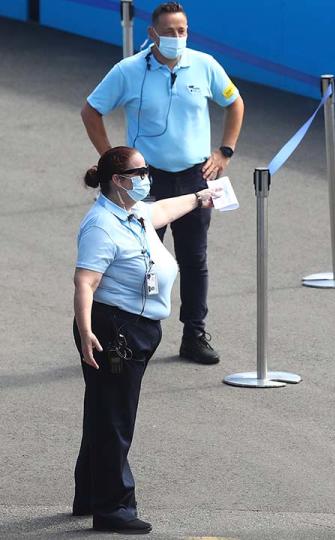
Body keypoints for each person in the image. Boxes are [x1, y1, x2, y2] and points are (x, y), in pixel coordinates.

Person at [81, 2, 244, 365]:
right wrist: (112, 158)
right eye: (169, 31)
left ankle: (194, 333)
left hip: (193, 177)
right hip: (145, 179)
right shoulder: (129, 71)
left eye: (182, 30)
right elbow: (91, 110)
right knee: (138, 256)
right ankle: (128, 330)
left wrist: (224, 152)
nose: (176, 37)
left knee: (194, 257)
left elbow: (235, 104)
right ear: (152, 34)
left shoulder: (204, 65)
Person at [73, 146, 219, 534]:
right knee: (116, 419)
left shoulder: (132, 211)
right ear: (118, 182)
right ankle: (113, 508)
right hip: (113, 330)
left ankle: (89, 493)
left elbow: (163, 210)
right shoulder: (102, 225)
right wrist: (86, 330)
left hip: (136, 326)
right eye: (139, 174)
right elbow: (85, 282)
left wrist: (202, 195)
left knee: (105, 412)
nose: (146, 179)